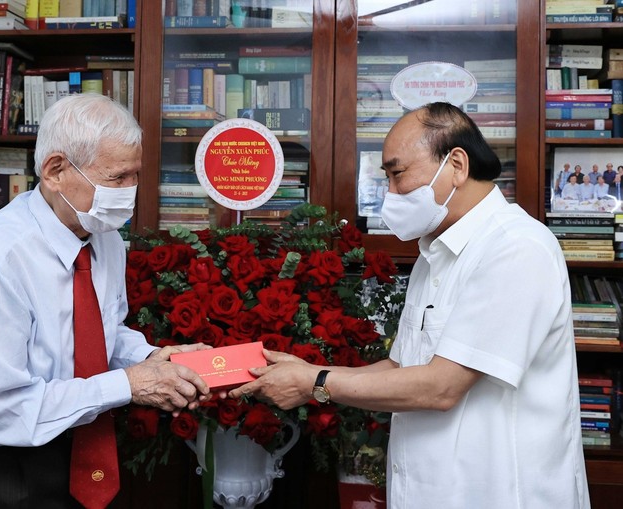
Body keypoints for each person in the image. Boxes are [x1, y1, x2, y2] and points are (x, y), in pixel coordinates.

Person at [231, 102, 590, 509]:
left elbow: (442, 386)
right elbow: (403, 367)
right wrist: (307, 374)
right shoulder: (434, 251)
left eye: (397, 174)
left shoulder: (516, 247)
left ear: (456, 163)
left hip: (499, 492)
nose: (391, 193)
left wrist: (315, 382)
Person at [0, 93, 211, 508]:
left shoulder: (105, 238)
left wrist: (157, 361)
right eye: (118, 178)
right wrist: (129, 385)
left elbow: (100, 332)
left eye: (137, 175)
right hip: (0, 467)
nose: (131, 191)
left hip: (82, 447)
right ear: (55, 170)